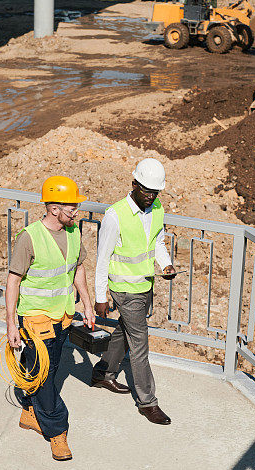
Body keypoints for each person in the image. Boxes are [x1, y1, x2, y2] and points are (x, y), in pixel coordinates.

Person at [5, 175, 95, 461]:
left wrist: (89, 305)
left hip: (62, 316)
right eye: (71, 208)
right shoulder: (29, 237)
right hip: (34, 318)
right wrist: (10, 324)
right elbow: (13, 281)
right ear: (54, 208)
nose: (76, 212)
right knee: (44, 378)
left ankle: (29, 413)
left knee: (46, 368)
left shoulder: (73, 232)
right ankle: (57, 430)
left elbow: (77, 268)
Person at [92, 158, 176, 425]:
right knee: (139, 343)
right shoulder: (115, 215)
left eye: (155, 192)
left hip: (145, 284)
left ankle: (102, 373)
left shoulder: (157, 208)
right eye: (146, 191)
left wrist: (166, 263)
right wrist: (100, 297)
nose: (151, 196)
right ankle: (147, 402)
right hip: (124, 290)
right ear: (134, 185)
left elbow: (157, 242)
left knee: (125, 331)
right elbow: (102, 258)